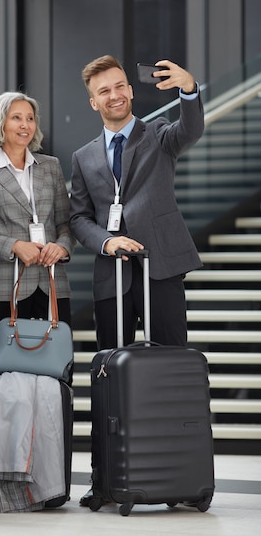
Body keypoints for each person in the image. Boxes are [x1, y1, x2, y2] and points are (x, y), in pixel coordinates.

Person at [69, 55, 204, 506]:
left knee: (172, 371)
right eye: (105, 90)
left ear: (131, 89)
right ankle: (104, 479)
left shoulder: (159, 136)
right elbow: (78, 217)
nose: (116, 95)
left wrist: (188, 90)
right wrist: (107, 243)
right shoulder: (84, 157)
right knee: (110, 380)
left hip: (162, 267)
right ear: (93, 102)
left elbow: (192, 129)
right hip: (113, 277)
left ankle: (182, 478)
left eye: (121, 85)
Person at [0, 91, 75, 361]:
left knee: (57, 371)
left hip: (52, 285)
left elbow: (66, 224)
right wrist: (13, 246)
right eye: (16, 118)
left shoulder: (51, 166)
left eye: (30, 118)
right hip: (1, 289)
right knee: (9, 374)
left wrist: (61, 247)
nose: (25, 125)